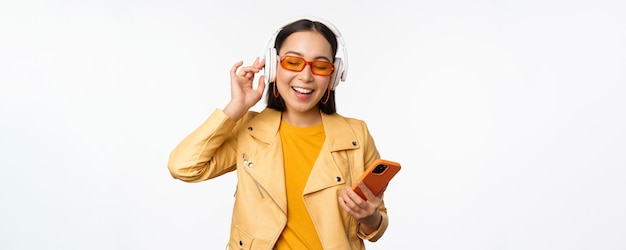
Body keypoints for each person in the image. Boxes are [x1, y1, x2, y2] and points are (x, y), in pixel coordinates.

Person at [168, 17, 390, 249]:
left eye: (321, 66)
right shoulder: (250, 130)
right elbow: (183, 167)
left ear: (333, 76)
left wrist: (368, 216)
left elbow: (375, 227)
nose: (306, 76)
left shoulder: (356, 135)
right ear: (274, 67)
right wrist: (236, 106)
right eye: (293, 62)